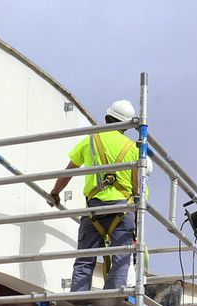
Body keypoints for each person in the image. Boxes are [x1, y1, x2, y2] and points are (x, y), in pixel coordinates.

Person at [47, 99, 141, 293]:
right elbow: (137, 186)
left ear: (106, 118)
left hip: (94, 209)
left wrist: (55, 193)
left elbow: (68, 172)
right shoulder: (133, 149)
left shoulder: (91, 140)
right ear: (127, 127)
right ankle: (112, 297)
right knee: (121, 260)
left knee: (84, 260)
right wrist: (137, 215)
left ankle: (78, 299)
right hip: (123, 210)